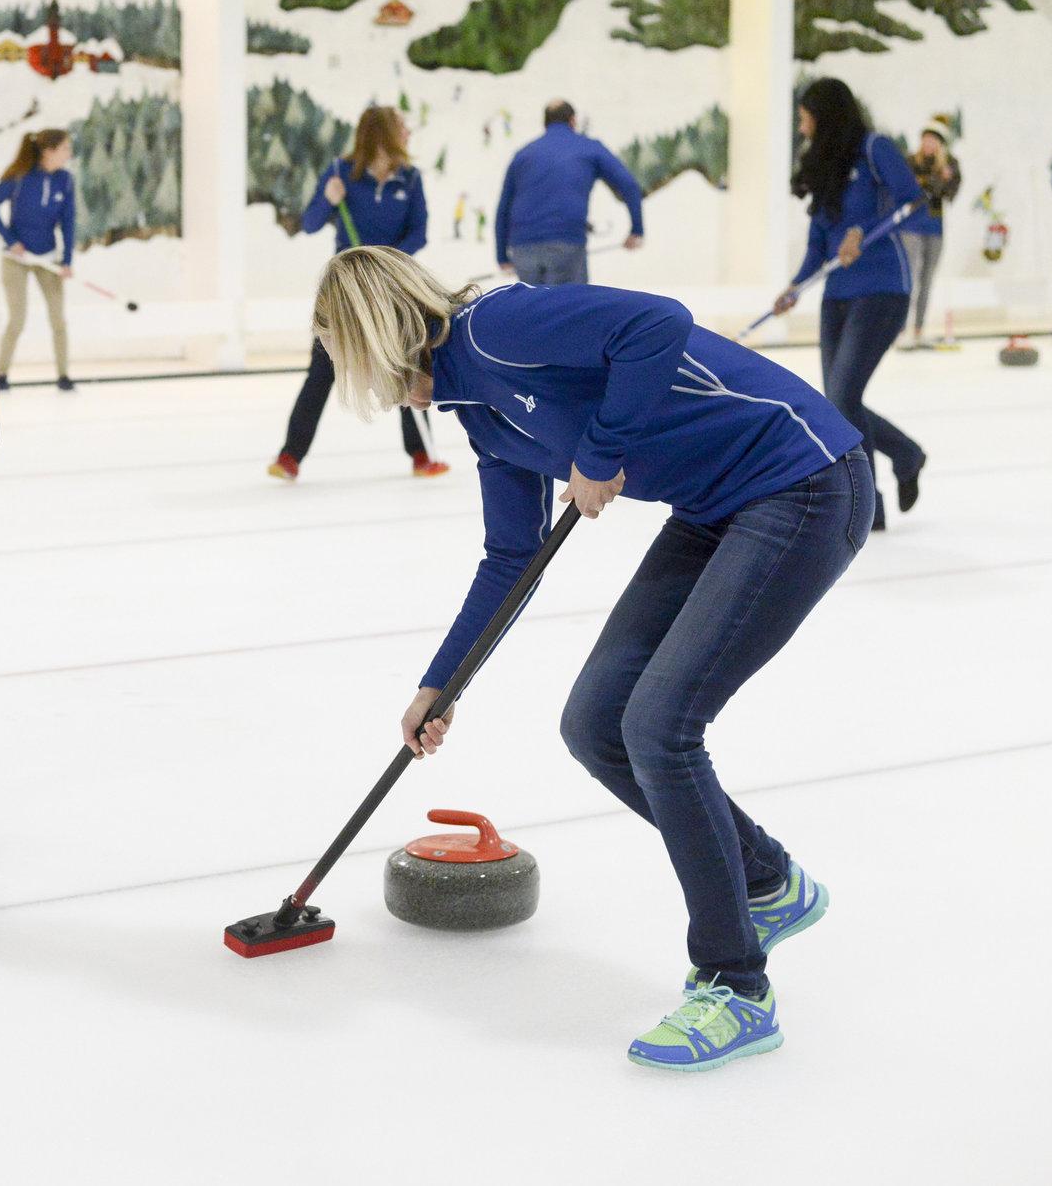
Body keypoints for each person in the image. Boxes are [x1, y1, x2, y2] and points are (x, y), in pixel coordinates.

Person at [313, 246, 870, 1072]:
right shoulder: (481, 417)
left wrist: (601, 449)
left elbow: (656, 325)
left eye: (353, 360)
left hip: (803, 481)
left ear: (379, 335)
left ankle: (736, 984)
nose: (370, 387)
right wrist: (443, 681)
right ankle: (766, 881)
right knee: (597, 722)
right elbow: (512, 557)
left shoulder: (496, 327)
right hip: (714, 509)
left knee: (660, 725)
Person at [774, 78, 924, 530]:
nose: (802, 129)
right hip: (836, 297)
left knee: (842, 397)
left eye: (806, 119)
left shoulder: (875, 149)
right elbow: (818, 243)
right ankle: (906, 454)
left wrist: (865, 231)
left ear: (827, 116)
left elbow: (912, 201)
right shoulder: (825, 166)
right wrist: (795, 286)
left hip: (882, 290)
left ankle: (868, 506)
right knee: (838, 404)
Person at [269, 105, 447, 481]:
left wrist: (388, 264)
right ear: (381, 134)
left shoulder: (410, 179)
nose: (407, 134)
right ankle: (290, 455)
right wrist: (328, 200)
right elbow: (311, 223)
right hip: (347, 292)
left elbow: (419, 233)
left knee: (407, 361)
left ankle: (421, 453)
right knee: (322, 369)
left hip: (392, 288)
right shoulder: (340, 172)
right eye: (401, 127)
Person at [494, 100, 644, 285]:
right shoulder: (589, 148)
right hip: (566, 243)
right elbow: (629, 186)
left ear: (545, 122)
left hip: (523, 249)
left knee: (534, 302)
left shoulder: (523, 155)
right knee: (569, 302)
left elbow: (504, 207)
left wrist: (502, 256)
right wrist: (637, 230)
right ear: (573, 120)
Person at [0, 129, 78, 391]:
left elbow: (68, 221)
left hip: (47, 258)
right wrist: (10, 240)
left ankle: (63, 375)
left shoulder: (65, 180)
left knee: (58, 319)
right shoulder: (20, 177)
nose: (69, 153)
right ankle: (1, 375)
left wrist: (67, 260)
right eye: (65, 148)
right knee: (17, 319)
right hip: (16, 259)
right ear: (49, 151)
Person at [899, 117, 962, 349]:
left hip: (934, 226)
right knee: (911, 277)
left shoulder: (949, 164)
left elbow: (950, 192)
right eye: (925, 139)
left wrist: (945, 179)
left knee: (927, 280)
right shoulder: (910, 162)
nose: (928, 143)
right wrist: (933, 181)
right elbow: (908, 190)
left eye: (933, 140)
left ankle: (918, 330)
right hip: (912, 227)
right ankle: (901, 329)